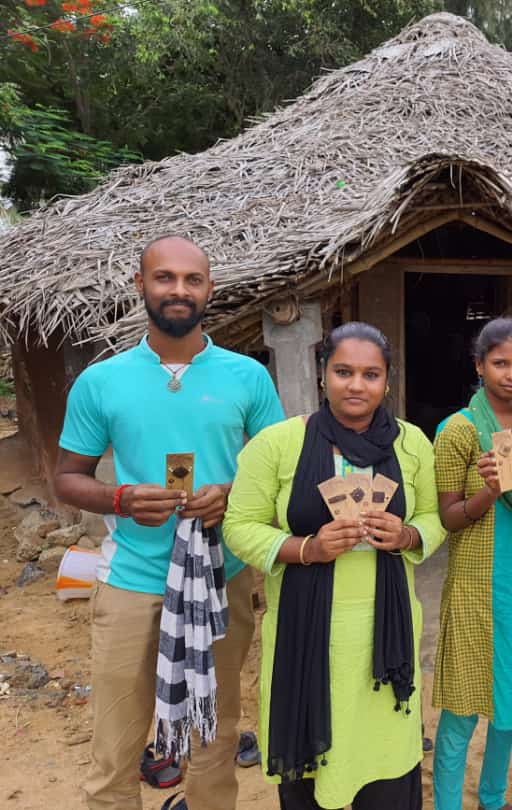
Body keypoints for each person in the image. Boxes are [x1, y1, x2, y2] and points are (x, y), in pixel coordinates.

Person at [53, 235, 285, 810]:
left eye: (192, 280)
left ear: (209, 289)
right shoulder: (101, 381)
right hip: (131, 581)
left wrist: (231, 495)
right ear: (141, 285)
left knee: (214, 736)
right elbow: (67, 477)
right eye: (165, 278)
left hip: (219, 579)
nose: (179, 290)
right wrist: (122, 498)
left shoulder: (247, 377)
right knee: (116, 745)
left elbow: (282, 471)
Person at [221, 322, 445, 810]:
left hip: (385, 639)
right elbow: (238, 526)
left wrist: (407, 534)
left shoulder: (411, 444)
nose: (357, 385)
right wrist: (307, 548)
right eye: (344, 371)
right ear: (323, 375)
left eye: (371, 374)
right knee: (312, 771)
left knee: (385, 765)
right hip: (307, 639)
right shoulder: (279, 443)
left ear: (387, 381)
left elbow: (434, 517)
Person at [431, 317, 512, 810]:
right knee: (462, 707)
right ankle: (446, 803)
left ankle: (493, 797)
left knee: (509, 704)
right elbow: (449, 518)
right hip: (477, 587)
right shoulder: (456, 430)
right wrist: (490, 490)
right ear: (479, 365)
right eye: (500, 363)